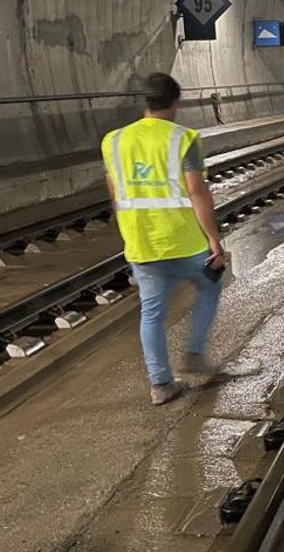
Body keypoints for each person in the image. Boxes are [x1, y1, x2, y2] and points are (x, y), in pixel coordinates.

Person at [100, 73, 225, 405]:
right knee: (210, 284)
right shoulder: (183, 139)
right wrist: (214, 240)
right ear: (174, 103)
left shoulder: (113, 141)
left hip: (142, 243)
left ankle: (161, 384)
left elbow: (115, 193)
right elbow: (196, 192)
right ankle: (194, 353)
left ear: (146, 101)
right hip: (184, 242)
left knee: (152, 312)